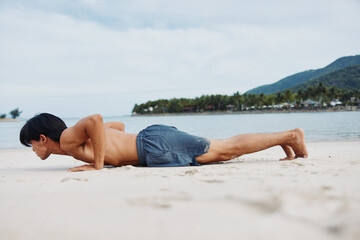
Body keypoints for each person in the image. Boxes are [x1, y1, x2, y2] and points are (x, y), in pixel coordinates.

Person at [19, 113, 308, 172]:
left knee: (226, 149)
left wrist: (97, 165)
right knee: (223, 150)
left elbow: (95, 120)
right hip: (152, 147)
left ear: (43, 138)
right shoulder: (74, 143)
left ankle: (290, 136)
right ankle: (282, 139)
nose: (33, 150)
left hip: (153, 146)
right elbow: (116, 127)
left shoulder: (69, 139)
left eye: (32, 144)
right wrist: (110, 153)